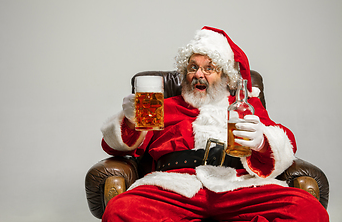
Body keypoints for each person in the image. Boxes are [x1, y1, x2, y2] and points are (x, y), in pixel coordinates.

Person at [100, 26, 329, 221]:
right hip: (174, 187)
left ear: (225, 77)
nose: (198, 74)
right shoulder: (162, 106)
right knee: (120, 211)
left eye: (209, 68)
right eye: (193, 67)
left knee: (307, 210)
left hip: (237, 184)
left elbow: (285, 143)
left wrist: (262, 141)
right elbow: (117, 147)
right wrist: (129, 121)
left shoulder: (245, 105)